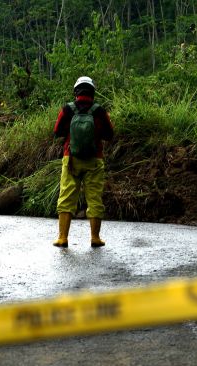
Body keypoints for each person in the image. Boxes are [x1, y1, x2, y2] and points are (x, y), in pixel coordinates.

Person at [52, 76, 114, 248]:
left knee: (66, 196)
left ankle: (63, 238)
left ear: (76, 92)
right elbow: (109, 134)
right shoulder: (99, 111)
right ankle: (95, 238)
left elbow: (57, 131)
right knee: (94, 198)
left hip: (71, 159)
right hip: (95, 159)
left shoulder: (67, 109)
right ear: (92, 92)